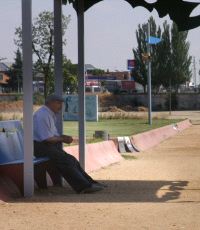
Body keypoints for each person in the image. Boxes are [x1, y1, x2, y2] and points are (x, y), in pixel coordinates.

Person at [33, 94, 105, 194]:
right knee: (66, 161)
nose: (61, 106)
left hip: (45, 146)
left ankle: (90, 183)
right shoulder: (43, 115)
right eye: (58, 103)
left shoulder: (48, 114)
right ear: (50, 103)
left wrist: (63, 137)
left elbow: (52, 135)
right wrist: (63, 139)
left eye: (61, 103)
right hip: (40, 147)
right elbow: (47, 139)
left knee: (72, 160)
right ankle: (83, 187)